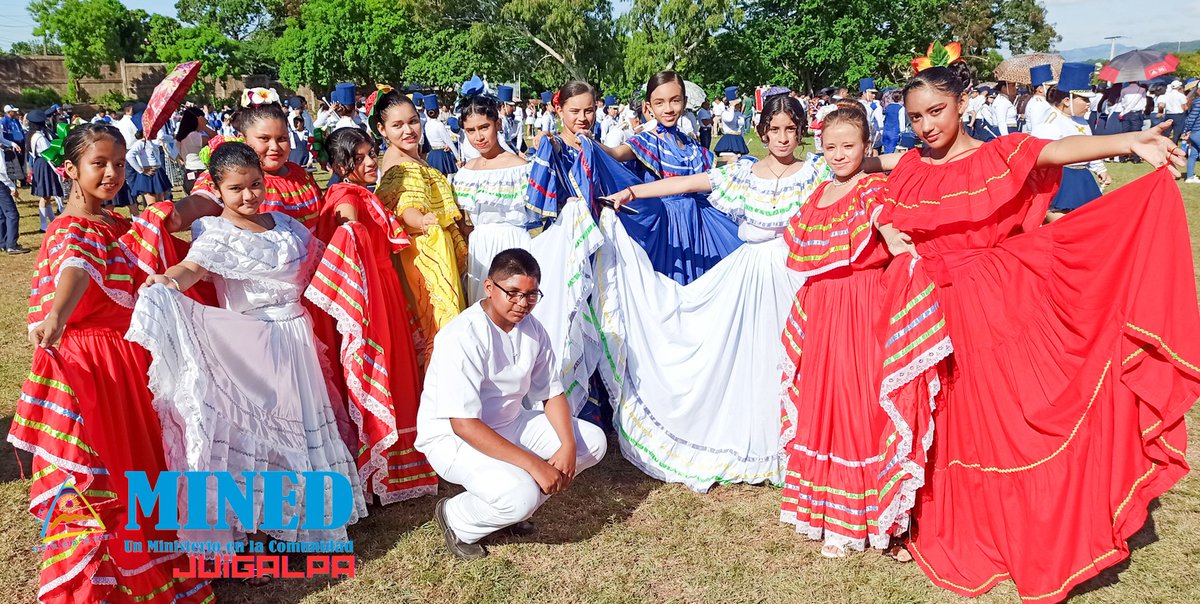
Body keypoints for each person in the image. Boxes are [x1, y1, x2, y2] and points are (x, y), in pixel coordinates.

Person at [878, 47, 1200, 602]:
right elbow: (872, 173)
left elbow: (1056, 149)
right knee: (949, 418)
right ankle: (958, 519)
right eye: (915, 117)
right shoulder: (910, 166)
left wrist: (1129, 140)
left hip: (992, 304)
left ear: (961, 104)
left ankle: (1031, 529)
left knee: (1008, 417)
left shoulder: (997, 153)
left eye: (936, 111)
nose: (926, 125)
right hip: (928, 312)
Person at [10, 123, 213, 603]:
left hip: (126, 358)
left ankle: (152, 567)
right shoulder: (71, 228)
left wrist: (214, 192)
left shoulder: (116, 224)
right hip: (94, 364)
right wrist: (57, 315)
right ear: (70, 169)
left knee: (141, 463)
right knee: (110, 473)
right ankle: (107, 583)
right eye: (98, 164)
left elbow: (172, 215)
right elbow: (76, 268)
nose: (112, 174)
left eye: (119, 164)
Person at [129, 141, 368, 547]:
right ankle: (259, 527)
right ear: (217, 190)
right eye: (236, 189)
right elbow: (191, 268)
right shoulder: (216, 234)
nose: (249, 196)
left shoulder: (285, 225)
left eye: (255, 184)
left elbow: (324, 260)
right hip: (251, 344)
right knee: (262, 432)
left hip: (297, 339)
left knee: (302, 423)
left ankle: (308, 517)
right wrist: (168, 280)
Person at [596, 95, 830, 490]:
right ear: (763, 132)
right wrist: (632, 192)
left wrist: (925, 153)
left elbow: (867, 163)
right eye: (774, 129)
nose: (782, 137)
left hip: (796, 276)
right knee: (749, 354)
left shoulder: (815, 172)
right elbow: (686, 183)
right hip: (750, 274)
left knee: (794, 354)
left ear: (801, 132)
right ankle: (751, 434)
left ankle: (796, 439)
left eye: (790, 129)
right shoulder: (743, 173)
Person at [777, 104, 949, 560]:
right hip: (823, 308)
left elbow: (884, 219)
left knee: (859, 402)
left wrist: (892, 238)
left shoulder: (871, 187)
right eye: (830, 146)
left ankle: (870, 515)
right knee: (825, 400)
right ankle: (829, 511)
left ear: (866, 146)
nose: (838, 154)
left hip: (861, 306)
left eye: (848, 146)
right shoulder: (819, 194)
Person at [416, 249, 608, 560]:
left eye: (531, 295)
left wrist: (568, 445)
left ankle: (513, 507)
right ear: (489, 287)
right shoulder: (461, 336)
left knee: (593, 442)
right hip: (453, 439)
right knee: (521, 495)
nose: (522, 303)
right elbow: (463, 424)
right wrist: (534, 465)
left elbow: (551, 392)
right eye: (513, 293)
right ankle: (458, 518)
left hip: (510, 422)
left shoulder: (533, 329)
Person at [306, 127, 437, 504]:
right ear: (338, 165)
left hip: (385, 288)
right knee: (387, 367)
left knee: (398, 368)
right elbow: (346, 219)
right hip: (372, 293)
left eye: (370, 154)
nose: (369, 163)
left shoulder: (362, 191)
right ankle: (385, 464)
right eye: (358, 158)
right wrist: (350, 227)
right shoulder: (345, 194)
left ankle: (398, 462)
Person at [592, 71, 743, 285]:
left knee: (719, 276)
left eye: (675, 100)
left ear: (684, 102)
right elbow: (615, 153)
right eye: (660, 102)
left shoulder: (690, 144)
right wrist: (588, 141)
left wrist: (734, 164)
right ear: (648, 107)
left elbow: (707, 176)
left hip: (700, 224)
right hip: (666, 228)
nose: (668, 108)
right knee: (667, 286)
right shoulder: (647, 141)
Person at [373, 91, 468, 365]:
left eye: (413, 121)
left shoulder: (413, 159)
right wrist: (422, 221)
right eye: (397, 125)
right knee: (438, 325)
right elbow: (405, 207)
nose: (408, 130)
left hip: (433, 247)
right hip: (424, 254)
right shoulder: (399, 165)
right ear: (382, 129)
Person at [182, 88, 324, 231]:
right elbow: (199, 202)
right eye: (264, 139)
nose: (275, 147)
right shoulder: (230, 174)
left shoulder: (301, 175)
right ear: (243, 139)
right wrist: (173, 215)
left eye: (282, 138)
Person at [1031, 63, 1112, 219]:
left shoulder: (1082, 121)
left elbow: (1090, 147)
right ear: (1067, 100)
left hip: (1082, 178)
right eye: (1084, 100)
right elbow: (1039, 158)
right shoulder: (1049, 123)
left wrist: (1100, 169)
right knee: (1061, 223)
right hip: (1060, 180)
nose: (1088, 104)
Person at [25, 109, 63, 232]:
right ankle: (43, 225)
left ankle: (52, 221)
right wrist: (57, 169)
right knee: (45, 196)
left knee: (47, 195)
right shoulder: (39, 137)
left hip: (39, 163)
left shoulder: (31, 135)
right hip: (44, 164)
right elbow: (48, 153)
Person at [422, 95, 459, 176]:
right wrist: (458, 157)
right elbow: (448, 141)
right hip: (442, 155)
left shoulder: (426, 125)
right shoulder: (439, 125)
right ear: (438, 112)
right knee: (443, 178)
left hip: (432, 154)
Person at [714, 86, 750, 158]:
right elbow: (729, 119)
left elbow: (741, 128)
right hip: (729, 139)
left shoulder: (739, 113)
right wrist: (732, 106)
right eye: (737, 104)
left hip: (738, 138)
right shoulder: (725, 113)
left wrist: (742, 140)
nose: (739, 105)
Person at [1024, 64, 1056, 133]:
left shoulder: (1042, 101)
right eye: (1050, 86)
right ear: (1040, 89)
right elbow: (1036, 128)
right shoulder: (1038, 104)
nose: (1052, 88)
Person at [1182, 87, 1200, 183]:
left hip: (1195, 132)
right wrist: (1186, 130)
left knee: (1193, 154)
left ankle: (1190, 177)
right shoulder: (1198, 102)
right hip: (1197, 131)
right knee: (1193, 155)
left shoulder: (1195, 101)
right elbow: (1191, 118)